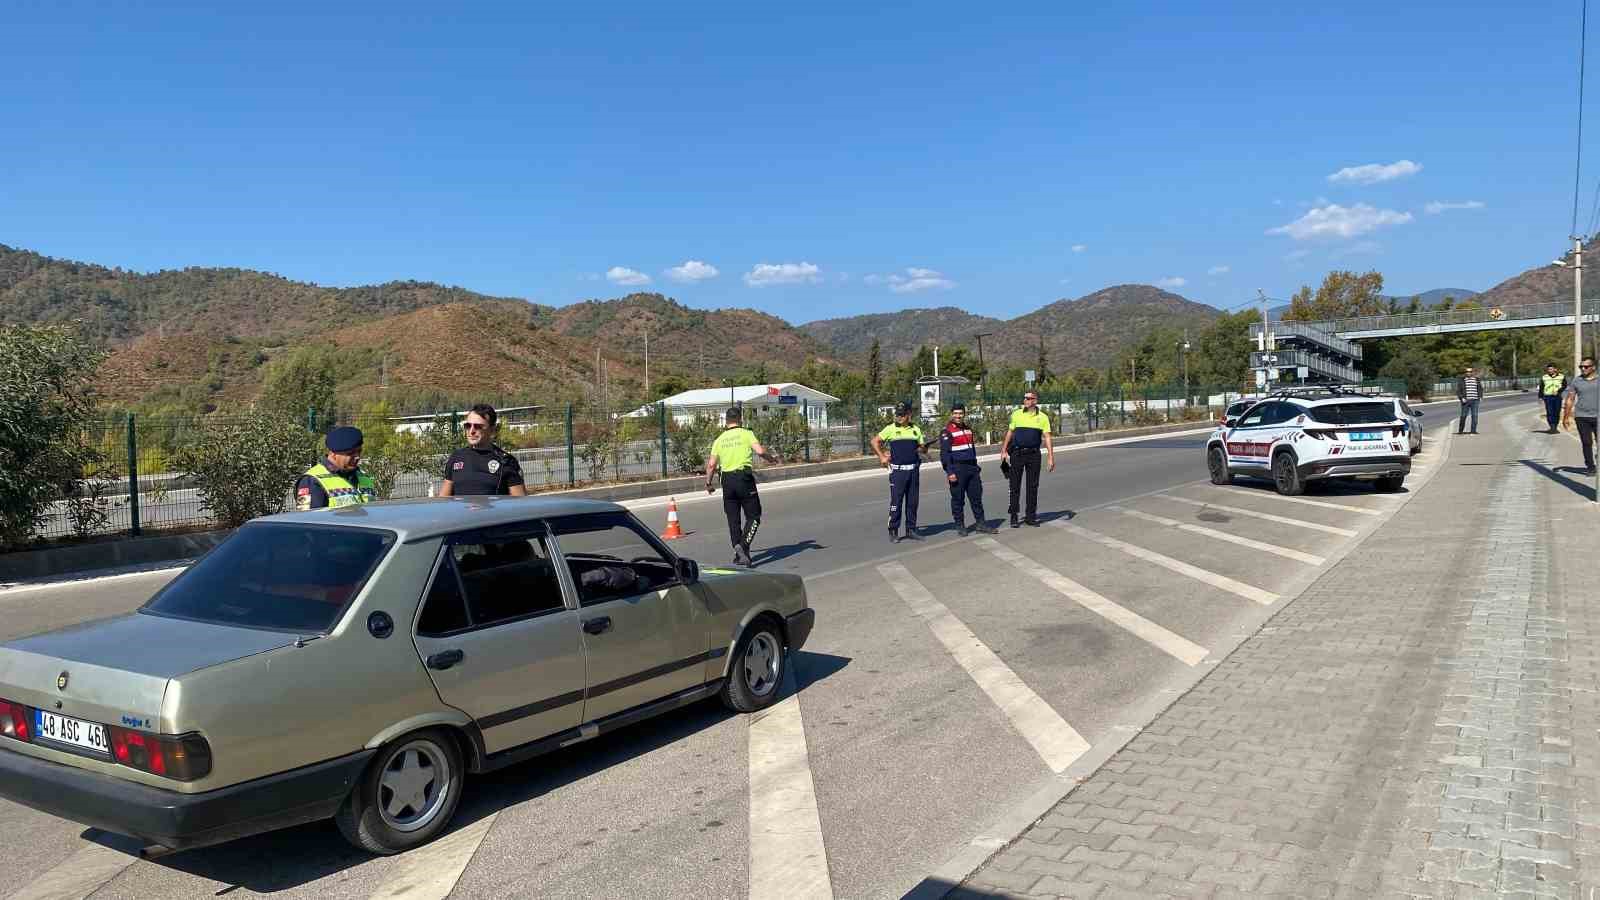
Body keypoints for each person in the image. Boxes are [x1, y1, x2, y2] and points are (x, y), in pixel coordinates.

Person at [704, 407, 779, 566]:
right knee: (754, 516)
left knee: (733, 519)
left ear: (726, 421)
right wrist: (771, 458)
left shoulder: (719, 439)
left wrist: (709, 483)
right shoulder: (746, 433)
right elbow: (759, 451)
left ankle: (739, 554)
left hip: (727, 481)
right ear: (740, 419)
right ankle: (743, 546)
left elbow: (711, 465)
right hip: (743, 479)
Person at [872, 401, 931, 543]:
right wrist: (882, 456)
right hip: (898, 473)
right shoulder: (890, 429)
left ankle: (911, 530)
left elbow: (921, 448)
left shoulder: (916, 429)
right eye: (897, 414)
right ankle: (893, 531)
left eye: (902, 415)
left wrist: (923, 449)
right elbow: (874, 441)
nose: (899, 417)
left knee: (912, 502)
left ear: (909, 414)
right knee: (896, 502)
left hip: (913, 471)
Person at [439, 404, 528, 497]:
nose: (471, 431)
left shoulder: (506, 462)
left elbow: (519, 503)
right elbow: (443, 501)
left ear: (492, 430)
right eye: (468, 425)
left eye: (478, 426)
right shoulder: (456, 457)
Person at [940, 403, 997, 536]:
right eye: (955, 413)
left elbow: (972, 449)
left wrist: (976, 466)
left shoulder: (968, 429)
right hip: (957, 468)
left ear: (964, 414)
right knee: (958, 499)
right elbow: (945, 455)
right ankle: (960, 525)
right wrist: (950, 472)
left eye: (960, 413)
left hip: (971, 468)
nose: (958, 416)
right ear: (951, 414)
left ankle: (981, 524)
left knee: (976, 498)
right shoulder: (947, 431)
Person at [1001, 390, 1055, 527]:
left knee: (1032, 486)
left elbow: (1047, 437)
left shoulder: (1042, 417)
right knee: (1014, 486)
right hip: (1017, 454)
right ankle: (1014, 516)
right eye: (1024, 398)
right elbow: (1010, 432)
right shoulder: (1016, 414)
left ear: (1035, 401)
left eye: (1028, 398)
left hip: (1034, 455)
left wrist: (1050, 457)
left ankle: (1030, 517)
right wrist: (1003, 450)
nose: (1025, 400)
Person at [295, 426, 376, 510]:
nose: (357, 457)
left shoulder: (363, 476)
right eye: (350, 453)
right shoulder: (312, 481)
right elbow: (308, 519)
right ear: (333, 454)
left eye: (359, 451)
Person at [1563, 356, 1600, 475]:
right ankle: (1590, 467)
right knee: (1586, 442)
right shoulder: (1576, 381)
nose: (1583, 368)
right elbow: (1570, 399)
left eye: (1586, 366)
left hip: (1598, 416)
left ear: (1593, 367)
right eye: (1581, 367)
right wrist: (1566, 416)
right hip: (1581, 416)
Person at [1540, 364, 1568, 434]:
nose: (1549, 371)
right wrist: (1540, 397)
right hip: (1548, 397)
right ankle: (1552, 427)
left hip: (1557, 397)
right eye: (1548, 369)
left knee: (1556, 412)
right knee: (1549, 412)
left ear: (1555, 369)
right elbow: (1541, 387)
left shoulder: (1561, 376)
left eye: (1551, 369)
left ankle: (1555, 426)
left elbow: (1565, 385)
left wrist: (1559, 391)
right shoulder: (1544, 377)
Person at [1455, 366, 1482, 434]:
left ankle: (1473, 431)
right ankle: (1460, 430)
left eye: (1470, 372)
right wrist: (1461, 398)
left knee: (1475, 415)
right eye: (1467, 372)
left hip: (1475, 400)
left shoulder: (1477, 379)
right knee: (1463, 416)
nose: (1469, 373)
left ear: (1472, 372)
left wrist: (1480, 397)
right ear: (1465, 373)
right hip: (1465, 401)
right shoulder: (1462, 380)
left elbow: (1480, 389)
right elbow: (1458, 391)